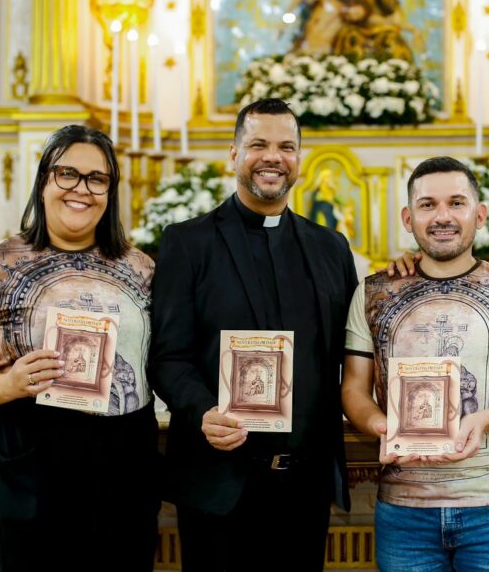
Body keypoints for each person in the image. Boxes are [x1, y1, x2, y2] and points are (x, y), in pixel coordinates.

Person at [0, 125, 160, 571]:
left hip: (125, 456)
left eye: (97, 179)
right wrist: (9, 383)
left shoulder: (144, 267)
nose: (82, 189)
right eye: (67, 174)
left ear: (110, 191)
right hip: (34, 453)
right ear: (43, 182)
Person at [148, 98, 359, 571]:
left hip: (304, 487)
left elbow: (351, 346)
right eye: (258, 144)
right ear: (234, 153)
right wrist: (202, 411)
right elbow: (167, 355)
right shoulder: (187, 242)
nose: (273, 157)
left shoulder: (331, 248)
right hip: (217, 483)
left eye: (286, 146)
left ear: (299, 159)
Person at [342, 157, 489, 572]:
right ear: (408, 219)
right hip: (404, 508)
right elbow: (354, 388)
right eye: (427, 205)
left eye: (456, 203)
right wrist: (381, 426)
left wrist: (481, 421)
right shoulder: (373, 292)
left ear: (479, 214)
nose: (442, 216)